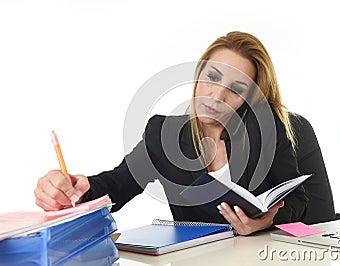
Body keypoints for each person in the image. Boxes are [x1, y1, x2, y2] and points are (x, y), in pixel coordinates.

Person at [34, 31, 307, 235]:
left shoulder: (264, 131)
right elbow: (117, 185)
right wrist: (76, 190)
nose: (217, 95)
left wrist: (267, 221)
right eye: (212, 78)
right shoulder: (163, 134)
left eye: (235, 89)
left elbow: (299, 200)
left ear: (248, 99)